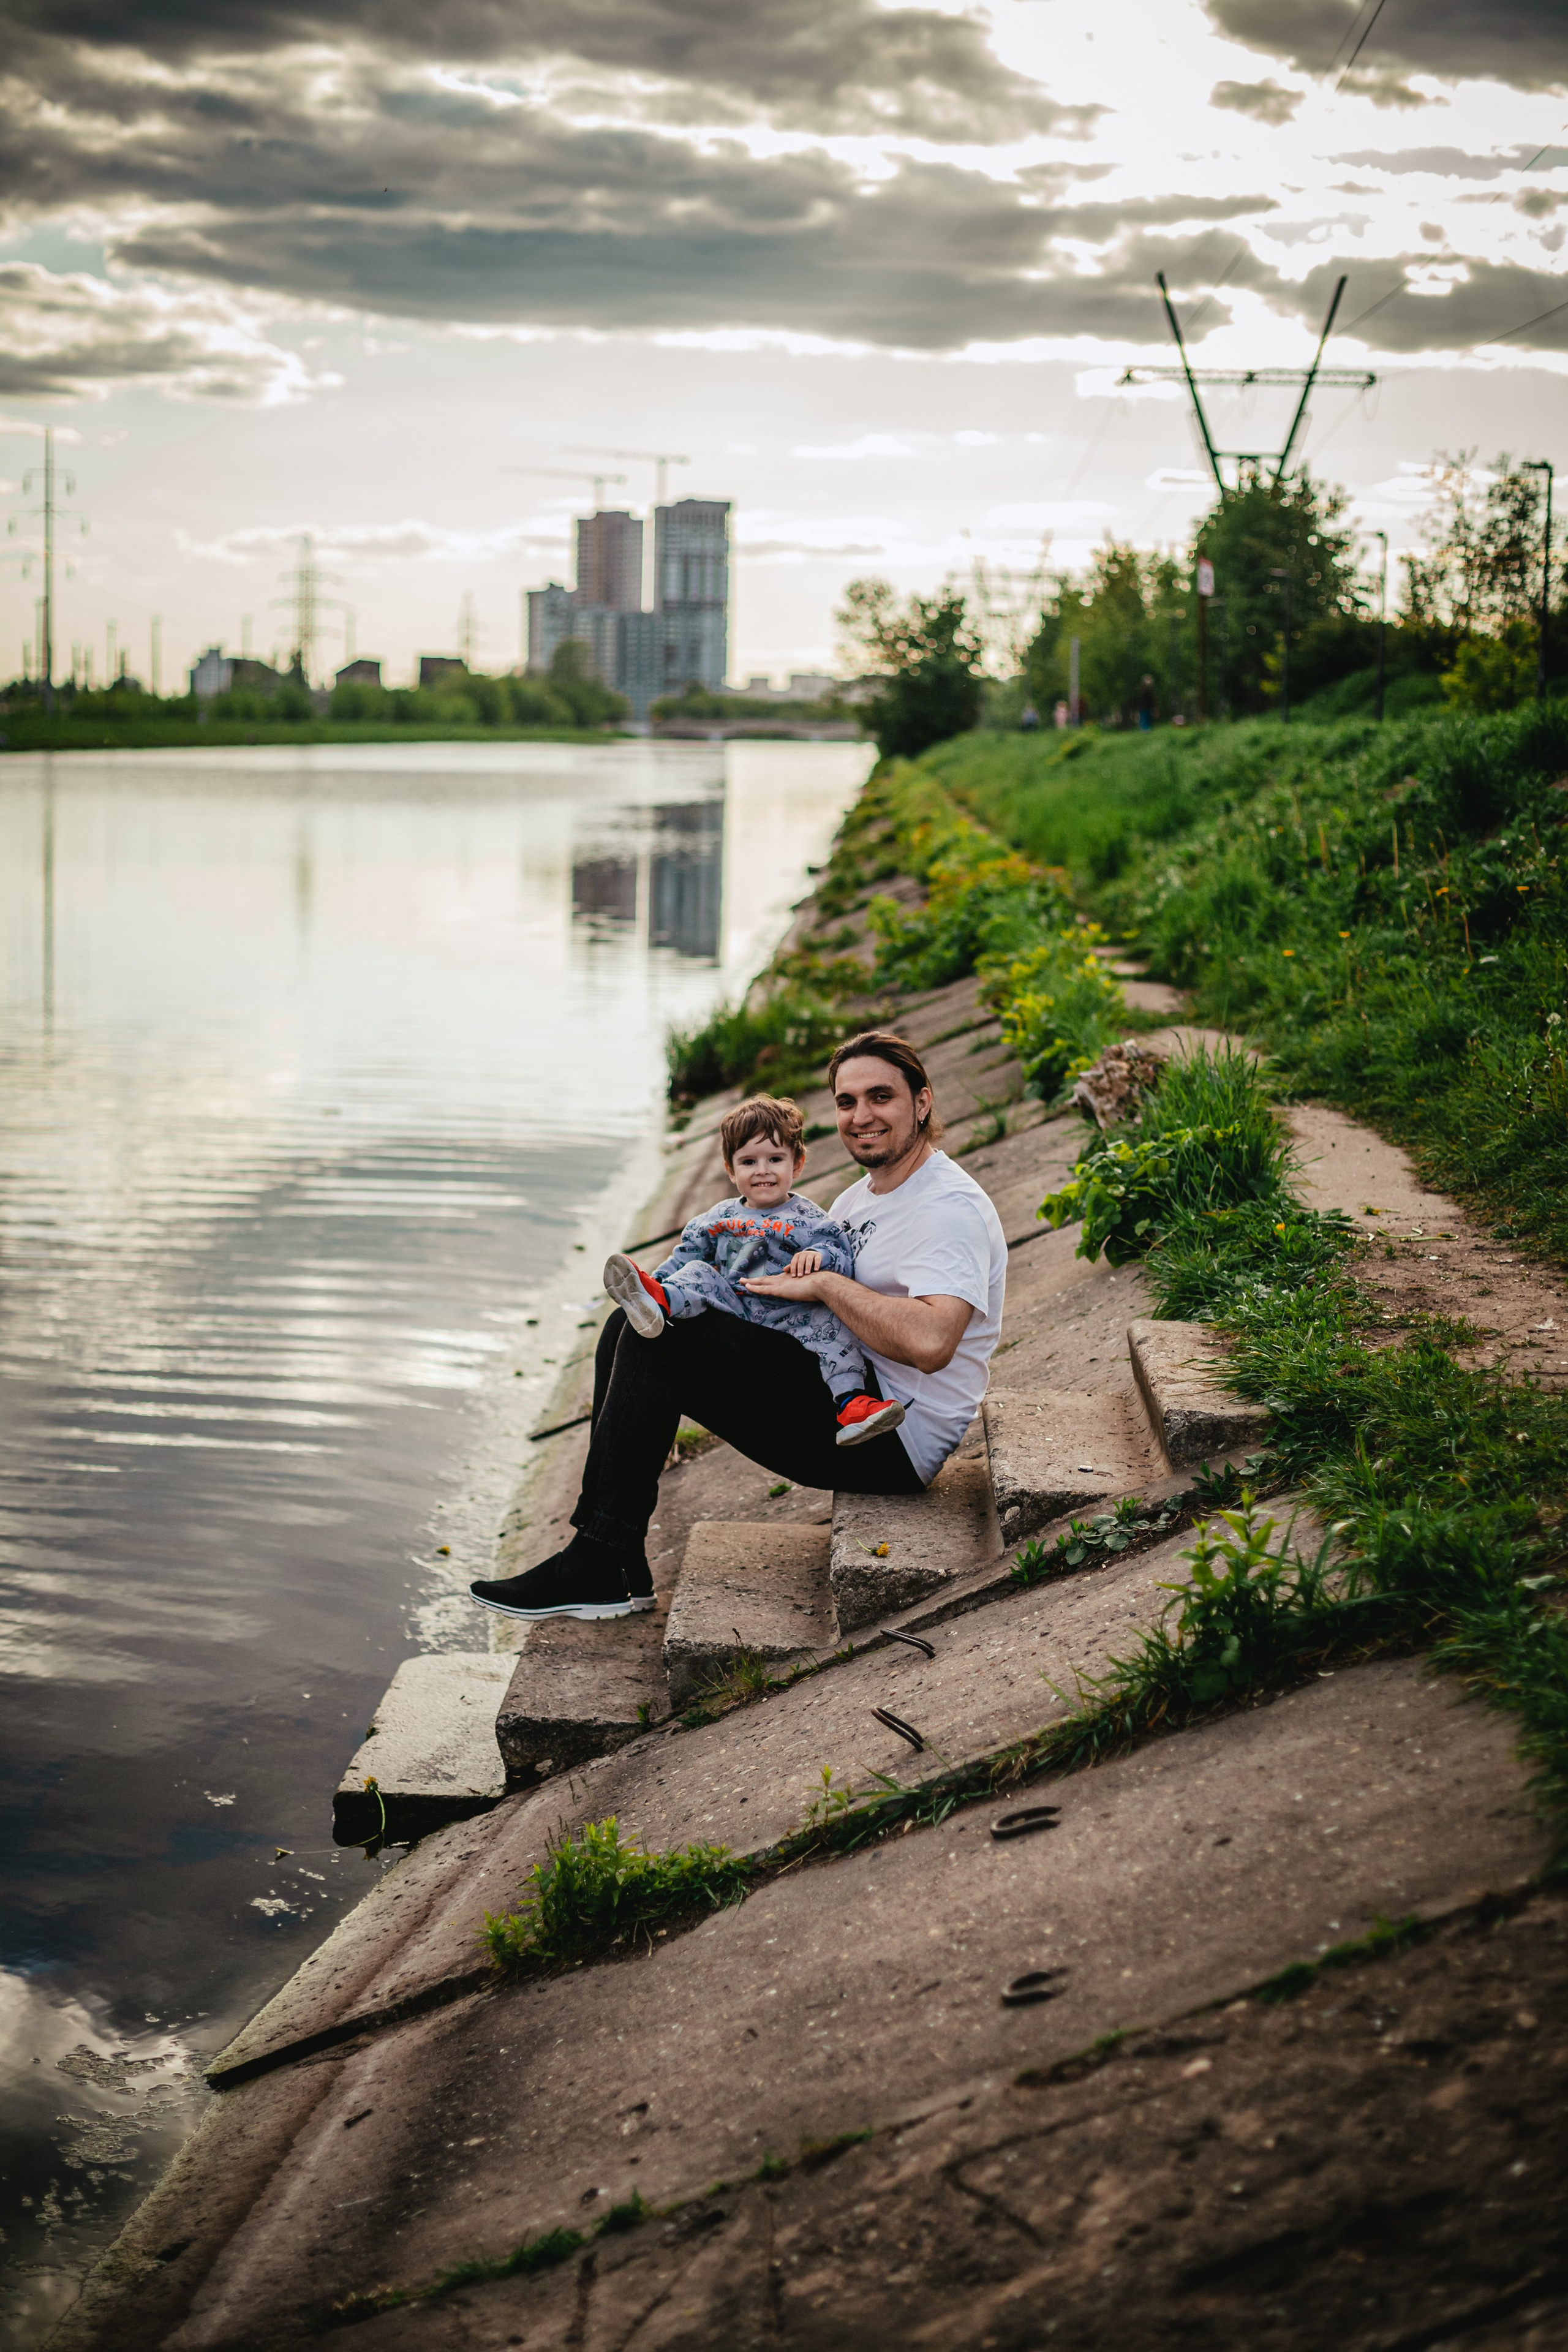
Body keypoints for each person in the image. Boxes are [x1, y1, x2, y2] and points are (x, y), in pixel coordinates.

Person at [469, 1029, 1008, 1621]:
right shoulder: (864, 1197)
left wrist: (827, 1284)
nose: (862, 1116)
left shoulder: (945, 1207)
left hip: (888, 1438)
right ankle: (618, 1560)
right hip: (841, 1392)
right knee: (633, 1325)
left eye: (881, 1097)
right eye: (847, 1101)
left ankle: (596, 1559)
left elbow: (933, 1343)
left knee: (662, 1344)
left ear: (922, 1102)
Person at [600, 1091, 906, 1449]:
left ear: (797, 1164)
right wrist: (661, 1281)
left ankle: (852, 1404)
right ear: (731, 1170)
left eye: (775, 1159)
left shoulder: (809, 1219)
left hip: (792, 1317)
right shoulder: (718, 1219)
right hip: (733, 1312)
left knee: (833, 1329)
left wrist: (818, 1257)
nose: (762, 1171)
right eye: (748, 1162)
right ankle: (654, 1300)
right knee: (700, 1272)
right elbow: (685, 1257)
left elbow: (840, 1254)